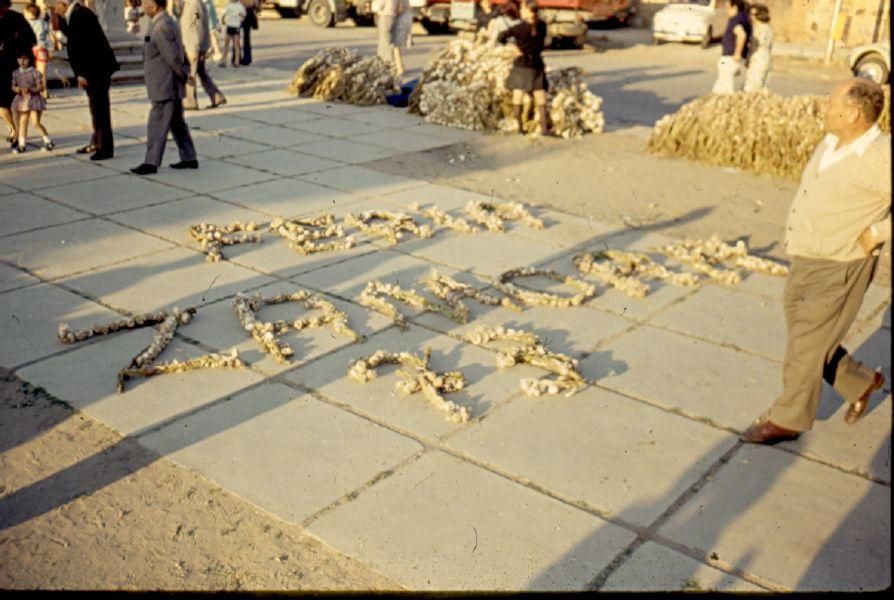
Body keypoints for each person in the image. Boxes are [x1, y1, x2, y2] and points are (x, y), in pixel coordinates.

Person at [740, 78, 891, 445]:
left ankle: (788, 419)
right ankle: (859, 381)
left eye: (830, 103)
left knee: (806, 346)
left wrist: (880, 231)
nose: (824, 108)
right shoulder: (833, 142)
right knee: (807, 339)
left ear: (853, 113)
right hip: (806, 255)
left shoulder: (880, 155)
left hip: (840, 264)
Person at [131, 0, 198, 175]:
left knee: (157, 123)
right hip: (167, 83)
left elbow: (173, 57)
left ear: (154, 6)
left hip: (165, 84)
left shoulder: (161, 26)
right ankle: (189, 157)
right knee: (176, 123)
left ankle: (151, 162)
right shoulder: (163, 22)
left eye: (146, 2)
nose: (143, 5)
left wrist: (185, 75)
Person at [52, 0, 119, 160]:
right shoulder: (76, 14)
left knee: (100, 110)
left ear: (63, 3)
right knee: (96, 109)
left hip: (96, 70)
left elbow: (83, 47)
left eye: (56, 4)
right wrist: (59, 18)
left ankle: (105, 149)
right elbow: (72, 38)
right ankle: (97, 142)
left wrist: (82, 74)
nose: (54, 8)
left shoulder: (80, 15)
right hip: (95, 69)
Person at [498, 0, 550, 136]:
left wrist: (513, 48)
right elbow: (542, 43)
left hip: (521, 64)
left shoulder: (518, 28)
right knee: (540, 96)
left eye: (522, 8)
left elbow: (501, 37)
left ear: (529, 11)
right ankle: (544, 129)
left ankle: (519, 128)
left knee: (518, 96)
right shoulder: (542, 26)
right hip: (537, 64)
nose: (520, 11)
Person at [1, 0, 37, 148]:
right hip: (1, 69)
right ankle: (14, 130)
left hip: (16, 68)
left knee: (17, 104)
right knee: (2, 105)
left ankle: (20, 135)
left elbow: (30, 41)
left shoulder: (17, 19)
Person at [180, 0, 225, 110]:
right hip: (195, 45)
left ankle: (190, 101)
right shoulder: (193, 4)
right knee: (201, 72)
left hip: (193, 46)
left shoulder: (194, 5)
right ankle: (216, 96)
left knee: (191, 73)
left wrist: (194, 47)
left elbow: (195, 26)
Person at [10, 50, 53, 152]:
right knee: (22, 123)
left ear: (30, 59)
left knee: (36, 123)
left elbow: (40, 87)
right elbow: (13, 85)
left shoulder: (35, 72)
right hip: (22, 101)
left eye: (25, 58)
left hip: (34, 100)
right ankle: (22, 144)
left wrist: (31, 89)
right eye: (20, 58)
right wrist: (17, 89)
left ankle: (48, 141)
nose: (22, 61)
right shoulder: (16, 73)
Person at [711, 0, 751, 94]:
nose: (726, 10)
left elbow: (742, 35)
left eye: (728, 7)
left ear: (734, 7)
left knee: (725, 89)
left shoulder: (736, 20)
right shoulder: (744, 18)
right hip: (733, 58)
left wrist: (737, 53)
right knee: (721, 87)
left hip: (730, 58)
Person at [743, 3, 772, 93]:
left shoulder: (758, 28)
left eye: (753, 14)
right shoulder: (768, 28)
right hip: (766, 60)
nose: (751, 17)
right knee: (761, 88)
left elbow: (755, 46)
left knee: (751, 90)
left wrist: (748, 59)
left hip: (757, 61)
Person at [24, 3, 50, 100]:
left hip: (31, 49)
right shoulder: (43, 23)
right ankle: (44, 91)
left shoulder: (26, 23)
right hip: (42, 49)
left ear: (30, 13)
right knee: (42, 73)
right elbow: (49, 34)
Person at [219, 0, 244, 67]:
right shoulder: (240, 6)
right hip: (236, 26)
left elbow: (224, 14)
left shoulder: (228, 5)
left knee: (226, 44)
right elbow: (243, 16)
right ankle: (237, 62)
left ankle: (224, 60)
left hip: (229, 26)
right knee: (236, 45)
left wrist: (223, 21)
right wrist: (239, 19)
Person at [239, 0, 258, 66]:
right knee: (246, 37)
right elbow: (256, 4)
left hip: (240, 12)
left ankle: (236, 58)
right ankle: (246, 58)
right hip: (247, 12)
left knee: (237, 37)